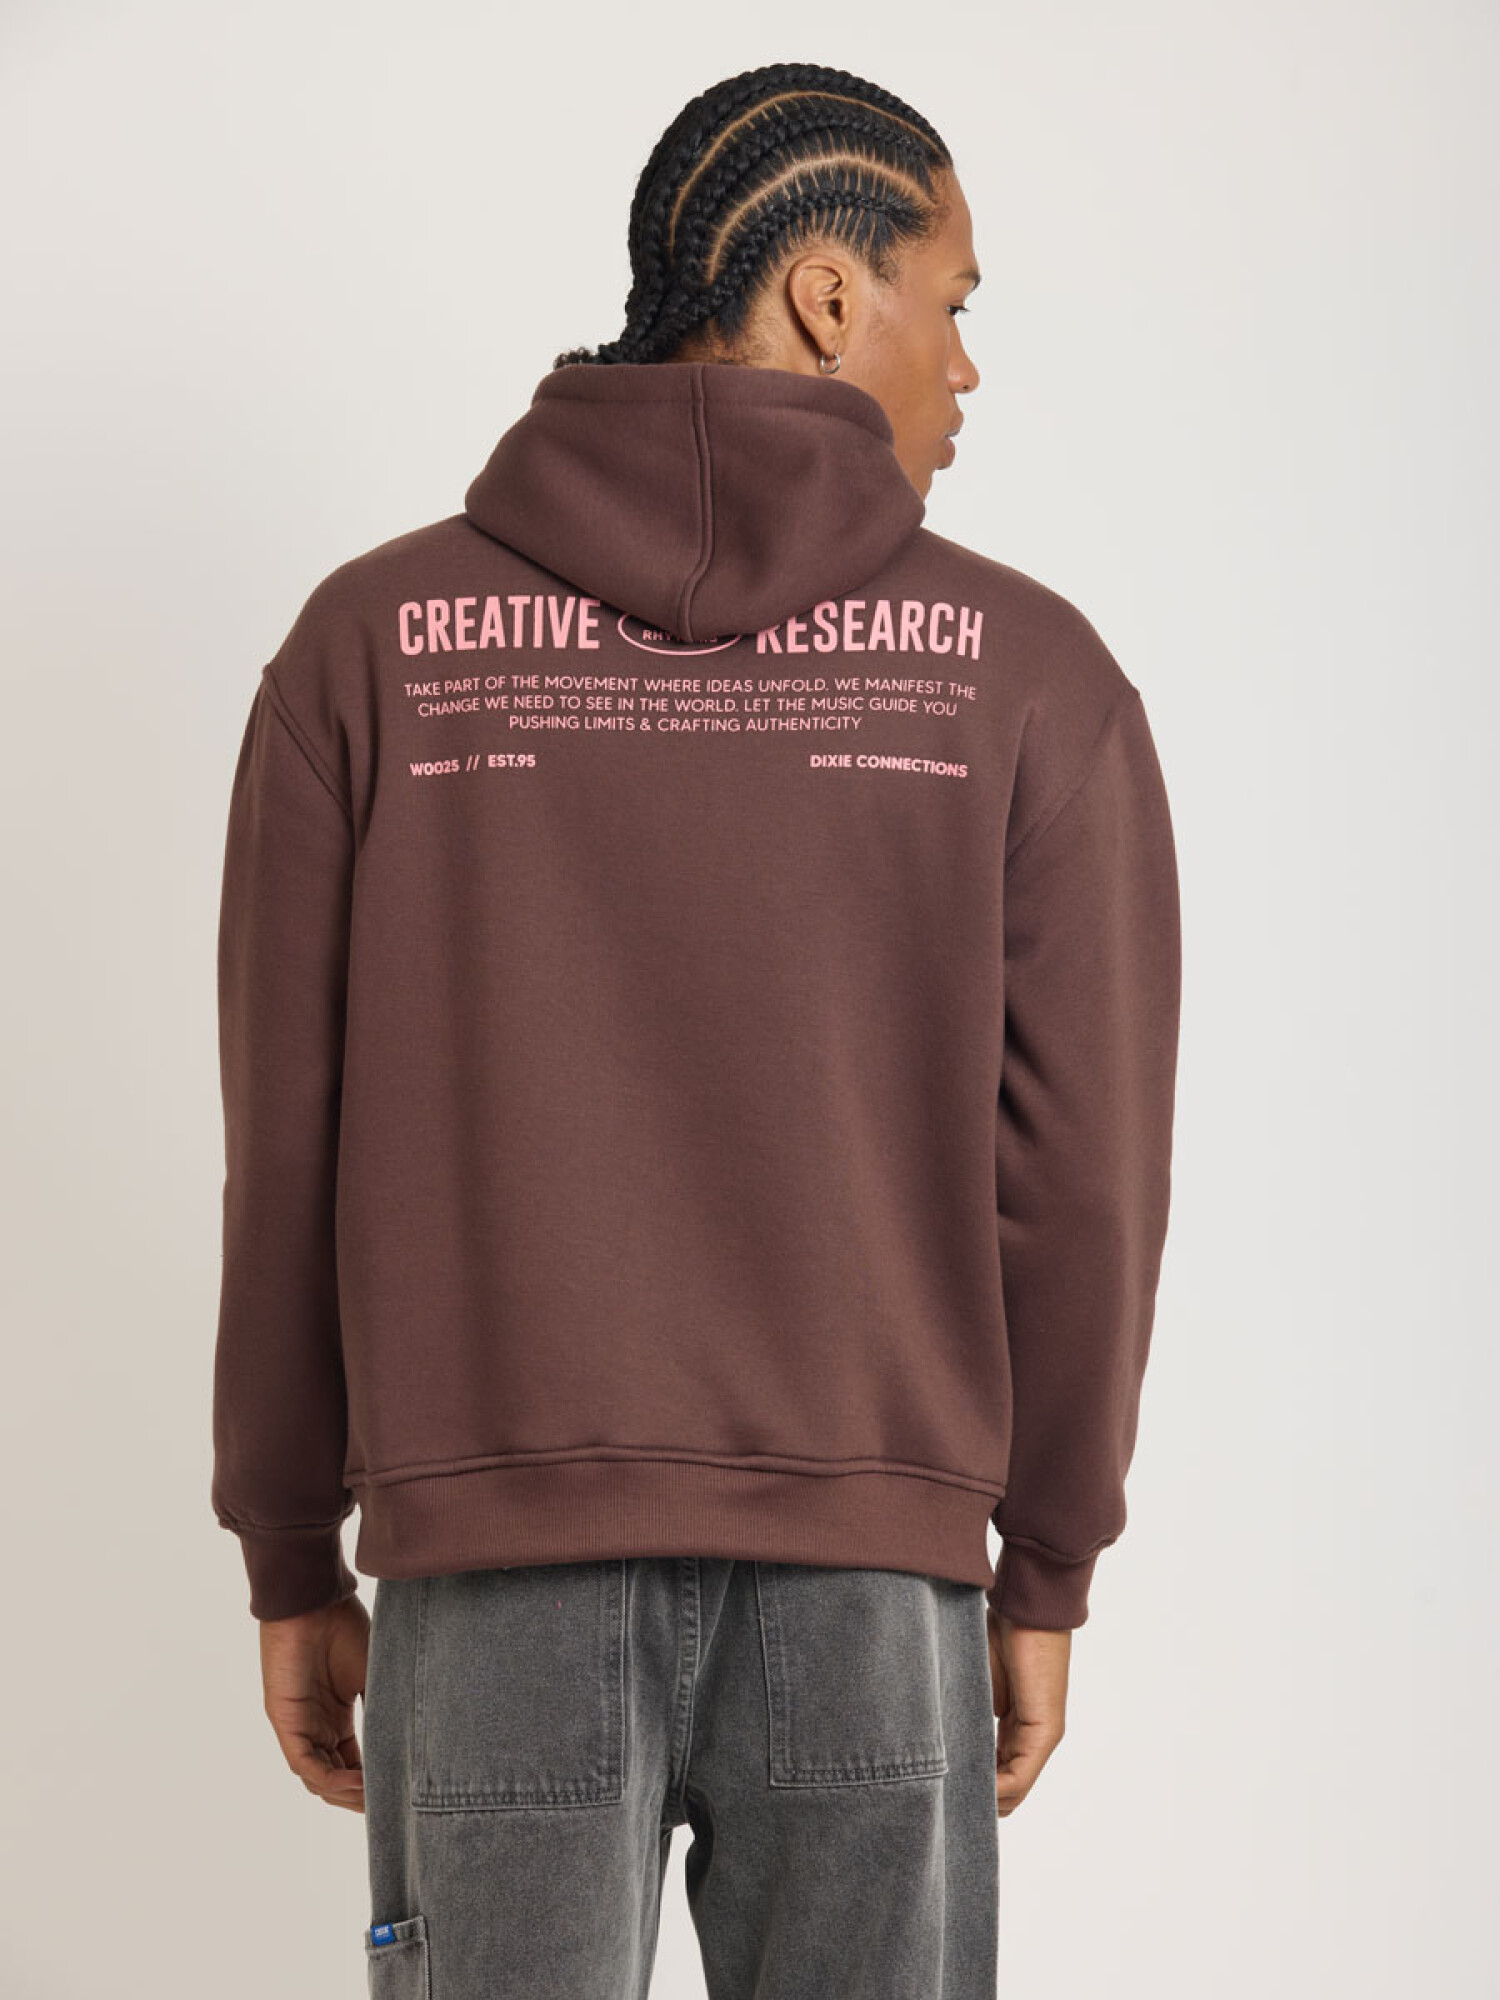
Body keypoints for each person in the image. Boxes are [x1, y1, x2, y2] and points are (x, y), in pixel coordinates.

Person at [211, 59, 1181, 1999]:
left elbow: (287, 1146)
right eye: (951, 304)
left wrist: (291, 1539)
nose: (965, 369)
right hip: (875, 1586)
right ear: (828, 295)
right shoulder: (1029, 679)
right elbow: (1086, 1178)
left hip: (489, 1575)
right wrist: (1048, 1559)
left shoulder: (372, 649)